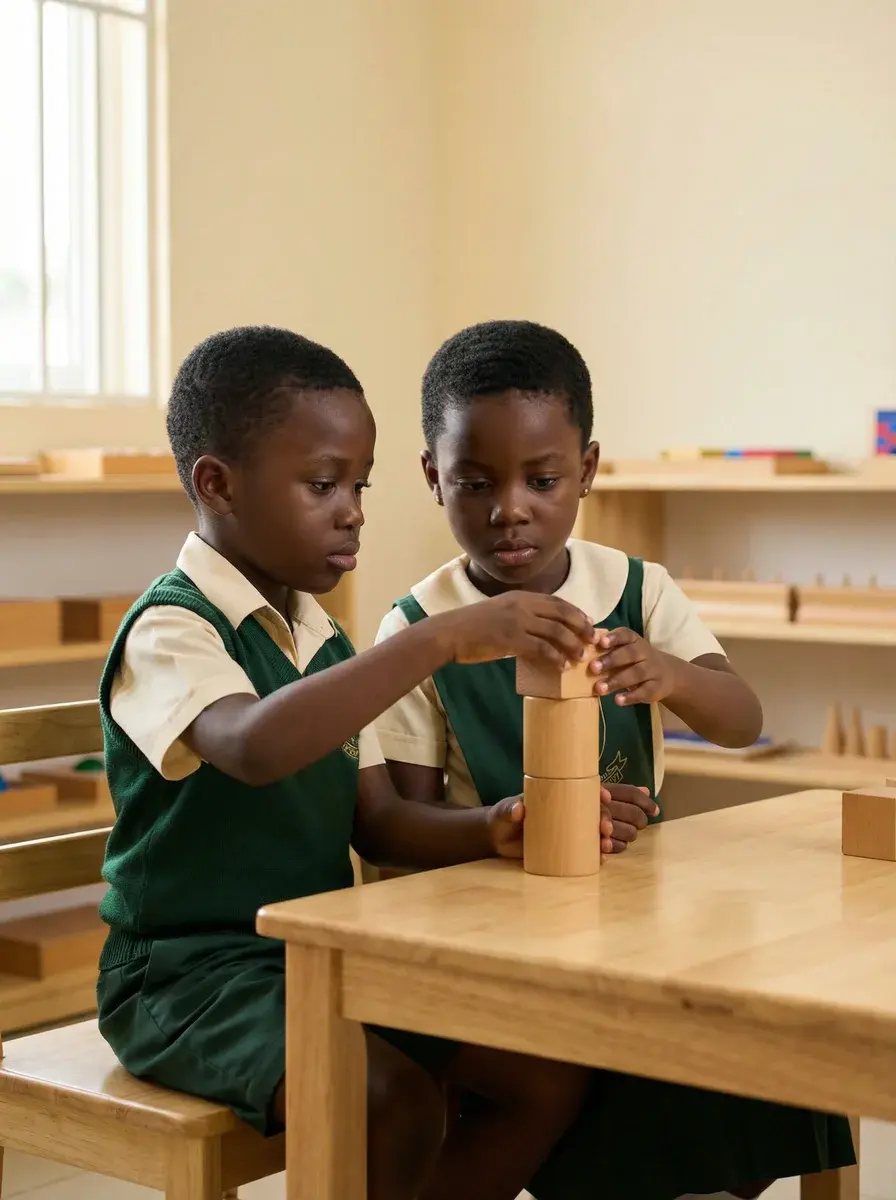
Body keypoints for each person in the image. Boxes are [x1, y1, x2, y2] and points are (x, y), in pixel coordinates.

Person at [95, 325, 614, 1200]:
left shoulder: (321, 636)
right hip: (188, 982)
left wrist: (494, 828)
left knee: (542, 1067)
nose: (355, 511)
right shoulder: (172, 629)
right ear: (215, 484)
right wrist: (439, 638)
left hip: (317, 958)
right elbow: (254, 746)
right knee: (387, 1100)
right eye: (323, 484)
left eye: (360, 486)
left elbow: (377, 818)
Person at [374, 318, 856, 1200]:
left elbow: (741, 720)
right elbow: (396, 830)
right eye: (476, 482)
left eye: (544, 479)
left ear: (588, 471)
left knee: (738, 1047)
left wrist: (670, 674)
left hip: (634, 925)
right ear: (432, 475)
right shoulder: (417, 632)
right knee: (601, 1067)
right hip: (490, 936)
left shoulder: (637, 590)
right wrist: (509, 827)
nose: (510, 507)